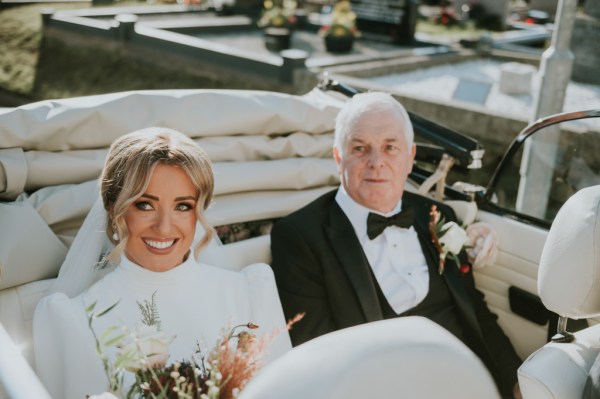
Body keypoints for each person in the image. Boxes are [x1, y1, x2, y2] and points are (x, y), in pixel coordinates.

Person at [270, 92, 522, 398]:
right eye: (360, 148)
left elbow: (477, 314)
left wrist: (515, 382)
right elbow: (321, 356)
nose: (376, 162)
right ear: (338, 157)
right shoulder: (300, 237)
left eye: (390, 147)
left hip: (472, 380)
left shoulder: (438, 215)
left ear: (410, 157)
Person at [33, 127, 291, 399]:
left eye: (183, 206)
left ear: (198, 212)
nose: (164, 227)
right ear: (113, 211)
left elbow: (289, 392)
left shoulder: (249, 292)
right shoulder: (75, 319)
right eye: (145, 205)